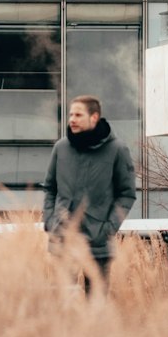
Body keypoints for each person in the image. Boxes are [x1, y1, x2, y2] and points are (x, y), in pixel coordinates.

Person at [42, 95, 137, 290]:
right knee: (61, 304)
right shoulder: (61, 148)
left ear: (94, 117)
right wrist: (50, 221)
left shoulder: (117, 150)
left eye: (78, 115)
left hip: (98, 244)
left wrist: (108, 229)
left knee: (96, 306)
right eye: (70, 115)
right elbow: (50, 188)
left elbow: (126, 194)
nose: (72, 120)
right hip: (63, 241)